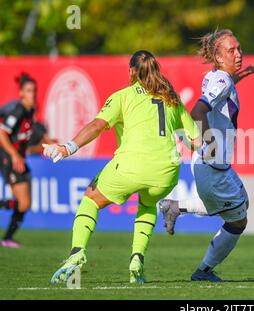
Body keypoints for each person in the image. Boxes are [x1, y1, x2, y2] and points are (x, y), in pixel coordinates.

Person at [44, 50, 201, 284]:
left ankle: (76, 253)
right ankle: (137, 259)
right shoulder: (172, 99)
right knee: (147, 204)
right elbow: (196, 141)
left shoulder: (123, 96)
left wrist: (68, 147)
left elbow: (97, 125)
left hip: (132, 166)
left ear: (131, 72)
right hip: (167, 171)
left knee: (91, 199)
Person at [159, 29, 254, 282]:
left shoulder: (217, 77)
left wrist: (245, 73)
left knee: (241, 204)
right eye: (231, 50)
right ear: (217, 56)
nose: (238, 54)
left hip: (210, 165)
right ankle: (203, 271)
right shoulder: (222, 80)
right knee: (238, 222)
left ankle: (175, 207)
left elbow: (222, 90)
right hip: (213, 167)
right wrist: (210, 143)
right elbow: (198, 110)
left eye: (239, 49)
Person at [0, 73, 54, 248]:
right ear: (22, 93)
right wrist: (14, 155)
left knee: (25, 204)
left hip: (19, 159)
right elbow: (2, 133)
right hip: (9, 158)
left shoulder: (31, 113)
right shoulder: (18, 110)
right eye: (29, 91)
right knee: (23, 203)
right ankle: (7, 238)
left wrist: (47, 146)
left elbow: (29, 143)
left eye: (34, 90)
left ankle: (7, 238)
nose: (33, 94)